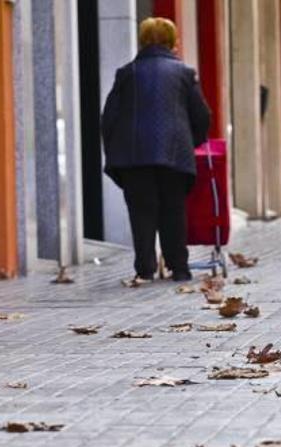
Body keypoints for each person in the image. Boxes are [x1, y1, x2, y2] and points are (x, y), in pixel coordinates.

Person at [101, 17, 210, 282]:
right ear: (173, 42)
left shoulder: (127, 73)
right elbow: (202, 115)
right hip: (174, 154)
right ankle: (179, 268)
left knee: (141, 211)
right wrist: (190, 142)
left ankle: (145, 268)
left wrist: (116, 150)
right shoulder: (184, 73)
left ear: (142, 41)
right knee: (173, 209)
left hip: (134, 156)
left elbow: (109, 117)